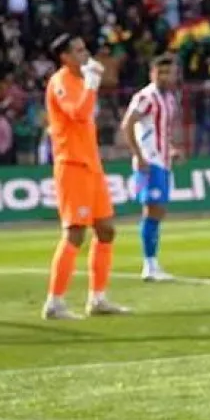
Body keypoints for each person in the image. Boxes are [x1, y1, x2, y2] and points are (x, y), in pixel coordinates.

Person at [42, 34, 129, 319]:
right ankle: (54, 302)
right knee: (75, 232)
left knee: (106, 229)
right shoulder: (61, 82)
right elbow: (77, 114)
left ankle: (98, 298)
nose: (85, 54)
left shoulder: (79, 81)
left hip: (91, 165)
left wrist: (90, 84)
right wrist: (92, 85)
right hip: (72, 165)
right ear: (65, 57)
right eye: (79, 50)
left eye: (84, 48)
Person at [120, 53, 181, 282]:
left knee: (159, 210)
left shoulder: (170, 99)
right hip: (149, 162)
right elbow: (127, 124)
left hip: (163, 161)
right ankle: (149, 265)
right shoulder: (145, 97)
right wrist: (139, 156)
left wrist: (171, 149)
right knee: (152, 209)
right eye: (161, 72)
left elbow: (161, 131)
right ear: (152, 73)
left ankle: (153, 263)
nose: (166, 77)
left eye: (170, 72)